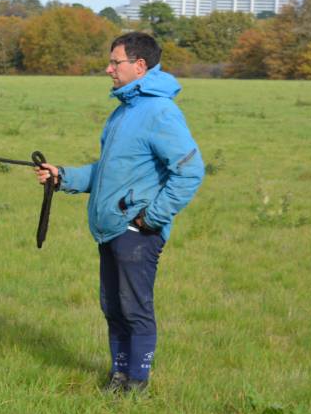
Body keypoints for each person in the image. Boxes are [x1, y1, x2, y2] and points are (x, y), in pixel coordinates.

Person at [34, 32, 204, 395]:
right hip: (111, 228)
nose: (108, 68)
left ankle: (137, 384)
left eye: (116, 62)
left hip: (136, 231)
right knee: (113, 306)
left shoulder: (159, 112)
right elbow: (108, 171)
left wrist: (151, 218)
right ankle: (118, 378)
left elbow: (190, 171)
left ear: (139, 67)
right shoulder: (124, 112)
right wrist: (63, 176)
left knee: (134, 308)